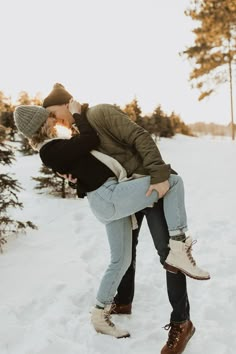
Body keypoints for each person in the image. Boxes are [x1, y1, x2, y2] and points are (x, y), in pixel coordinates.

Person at [14, 100, 209, 354]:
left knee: (121, 259)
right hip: (112, 196)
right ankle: (180, 248)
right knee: (172, 181)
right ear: (40, 125)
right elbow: (90, 140)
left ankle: (99, 313)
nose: (53, 120)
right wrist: (76, 114)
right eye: (48, 118)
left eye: (52, 114)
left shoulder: (59, 144)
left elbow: (88, 166)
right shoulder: (50, 149)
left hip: (112, 196)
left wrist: (75, 179)